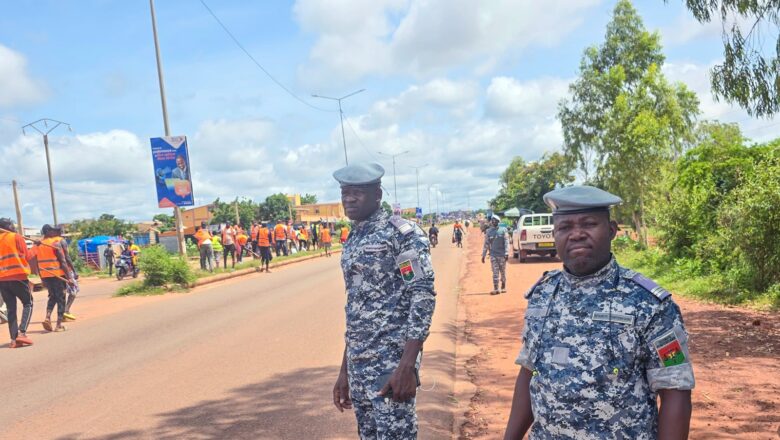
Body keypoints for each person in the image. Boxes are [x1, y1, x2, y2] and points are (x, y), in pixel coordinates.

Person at [503, 185, 694, 439]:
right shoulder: (542, 295)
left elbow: (675, 392)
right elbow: (529, 372)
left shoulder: (649, 304)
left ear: (612, 230)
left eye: (589, 224)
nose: (577, 234)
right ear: (555, 235)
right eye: (565, 227)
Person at [331, 163, 436, 439]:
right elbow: (356, 308)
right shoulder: (353, 237)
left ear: (377, 195)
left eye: (357, 193)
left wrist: (408, 365)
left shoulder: (401, 235)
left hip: (391, 366)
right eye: (345, 192)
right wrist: (345, 372)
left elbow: (422, 294)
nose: (349, 199)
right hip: (359, 366)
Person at [0, 218, 34, 348]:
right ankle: (22, 333)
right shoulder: (16, 237)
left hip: (2, 279)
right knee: (28, 303)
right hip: (18, 276)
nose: (14, 226)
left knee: (11, 309)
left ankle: (13, 340)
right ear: (8, 226)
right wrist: (36, 247)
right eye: (12, 224)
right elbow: (27, 256)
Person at [32, 224, 70, 332]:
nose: (54, 232)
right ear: (48, 231)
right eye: (52, 230)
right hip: (57, 275)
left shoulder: (37, 245)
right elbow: (63, 262)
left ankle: (47, 317)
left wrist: (41, 278)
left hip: (45, 275)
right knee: (61, 298)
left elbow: (34, 261)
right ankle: (58, 324)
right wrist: (69, 278)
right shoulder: (55, 244)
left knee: (52, 296)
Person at [482, 214, 510, 295]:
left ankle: (503, 286)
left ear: (498, 222)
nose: (494, 222)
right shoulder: (488, 231)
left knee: (503, 272)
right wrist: (483, 255)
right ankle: (496, 288)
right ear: (491, 222)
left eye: (495, 221)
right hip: (493, 255)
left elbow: (506, 242)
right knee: (495, 272)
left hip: (502, 255)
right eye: (493, 221)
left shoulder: (504, 230)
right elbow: (486, 244)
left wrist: (507, 253)